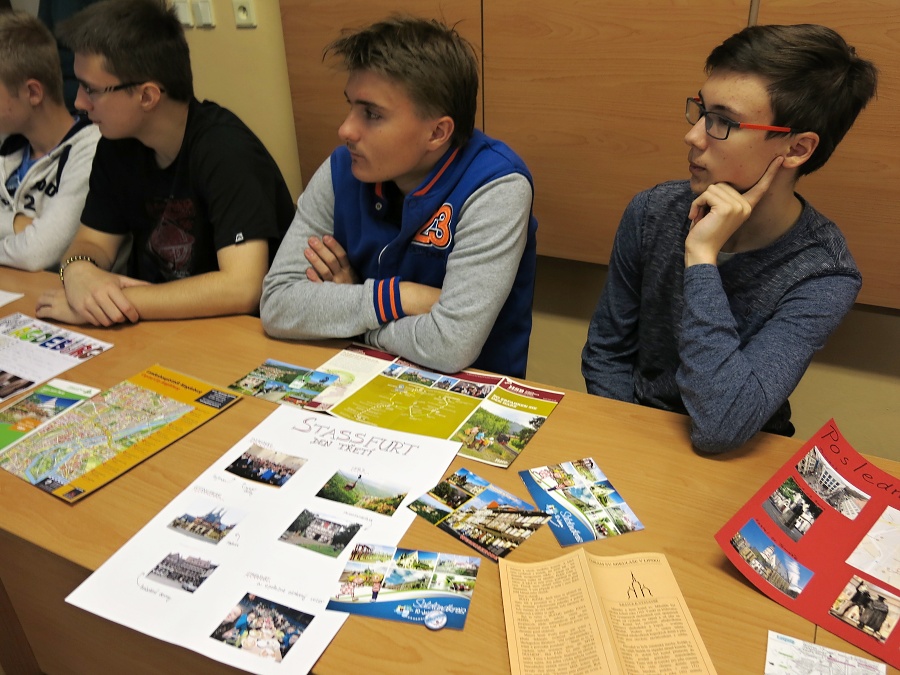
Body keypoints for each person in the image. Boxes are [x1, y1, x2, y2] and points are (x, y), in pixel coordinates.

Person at [581, 24, 878, 453]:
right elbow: (606, 354)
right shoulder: (652, 211)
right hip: (636, 432)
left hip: (739, 455)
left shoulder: (824, 273)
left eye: (723, 121)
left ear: (797, 149)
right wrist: (627, 445)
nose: (693, 135)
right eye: (702, 111)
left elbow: (722, 424)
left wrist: (702, 258)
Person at [260, 16, 537, 378]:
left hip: (465, 392)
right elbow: (277, 304)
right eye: (350, 106)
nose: (345, 129)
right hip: (354, 377)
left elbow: (450, 344)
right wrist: (402, 297)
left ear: (437, 133)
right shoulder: (342, 168)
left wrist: (351, 316)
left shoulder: (497, 185)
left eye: (371, 114)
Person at [35, 0, 294, 327]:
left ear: (147, 96)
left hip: (234, 333)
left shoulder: (227, 151)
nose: (79, 103)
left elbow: (243, 287)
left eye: (91, 90)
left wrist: (107, 304)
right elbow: (92, 242)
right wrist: (78, 272)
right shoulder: (117, 144)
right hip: (155, 327)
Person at [0, 11, 100, 271]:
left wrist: (28, 234)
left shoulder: (91, 150)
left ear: (33, 93)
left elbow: (37, 252)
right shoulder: (9, 145)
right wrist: (17, 223)